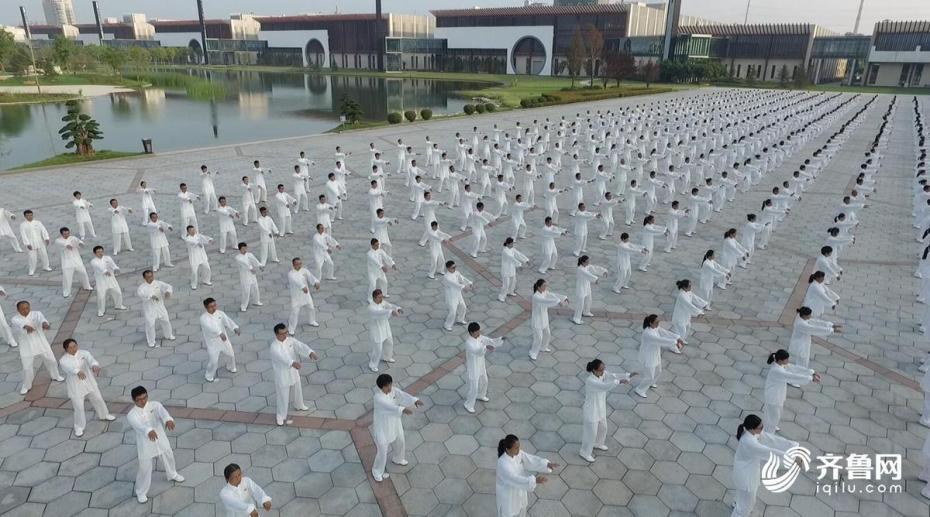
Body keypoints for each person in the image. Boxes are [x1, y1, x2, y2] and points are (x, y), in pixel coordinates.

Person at [730, 414, 801, 517]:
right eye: (761, 427)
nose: (762, 429)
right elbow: (769, 452)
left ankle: (737, 504)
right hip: (746, 477)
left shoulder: (749, 433)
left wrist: (792, 446)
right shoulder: (749, 442)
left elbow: (771, 439)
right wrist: (793, 458)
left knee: (742, 496)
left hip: (744, 471)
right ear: (752, 429)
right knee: (747, 504)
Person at [127, 386, 184, 503]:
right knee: (145, 467)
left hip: (160, 438)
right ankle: (141, 491)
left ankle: (172, 474)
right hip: (145, 443)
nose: (143, 401)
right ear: (134, 400)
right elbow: (139, 426)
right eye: (139, 399)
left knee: (168, 455)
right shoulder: (131, 415)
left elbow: (163, 413)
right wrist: (148, 431)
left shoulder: (155, 405)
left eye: (145, 397)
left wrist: (167, 419)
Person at [371, 373, 423, 482]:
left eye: (390, 384)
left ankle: (398, 458)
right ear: (383, 386)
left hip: (395, 422)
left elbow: (402, 395)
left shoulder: (393, 390)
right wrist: (403, 409)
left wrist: (414, 400)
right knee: (382, 451)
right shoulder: (378, 398)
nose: (391, 387)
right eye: (389, 385)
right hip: (383, 428)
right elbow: (390, 407)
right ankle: (377, 471)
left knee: (400, 441)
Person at [59, 338, 114, 437]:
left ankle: (104, 415)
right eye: (71, 347)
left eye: (75, 346)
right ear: (66, 349)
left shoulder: (84, 353)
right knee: (79, 407)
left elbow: (91, 359)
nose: (74, 349)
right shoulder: (63, 360)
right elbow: (69, 368)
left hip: (88, 382)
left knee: (98, 399)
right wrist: (77, 371)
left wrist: (94, 365)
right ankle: (79, 427)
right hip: (76, 386)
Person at [580, 359, 631, 462]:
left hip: (600, 408)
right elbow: (604, 386)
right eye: (601, 369)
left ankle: (598, 443)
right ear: (594, 370)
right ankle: (585, 452)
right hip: (591, 411)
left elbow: (613, 376)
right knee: (591, 433)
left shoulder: (603, 374)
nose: (604, 371)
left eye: (604, 369)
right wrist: (619, 382)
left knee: (603, 428)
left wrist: (628, 375)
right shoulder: (591, 381)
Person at [495, 434, 558, 517]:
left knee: (521, 508)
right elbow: (514, 478)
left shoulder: (518, 454)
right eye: (516, 448)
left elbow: (530, 460)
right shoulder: (502, 463)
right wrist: (534, 480)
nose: (519, 450)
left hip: (520, 488)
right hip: (508, 494)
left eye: (519, 447)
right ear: (507, 449)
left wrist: (546, 464)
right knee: (509, 512)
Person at [270, 323, 318, 426]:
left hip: (293, 371)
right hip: (282, 373)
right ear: (276, 334)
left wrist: (309, 352)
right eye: (282, 333)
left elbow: (300, 346)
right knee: (283, 395)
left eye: (286, 332)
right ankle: (281, 415)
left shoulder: (290, 340)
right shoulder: (274, 347)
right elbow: (282, 358)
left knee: (297, 388)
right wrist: (292, 363)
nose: (285, 335)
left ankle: (299, 404)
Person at [11, 300, 63, 394]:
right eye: (23, 309)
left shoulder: (36, 314)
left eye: (27, 308)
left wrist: (44, 324)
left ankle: (55, 375)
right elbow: (19, 326)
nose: (26, 310)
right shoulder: (15, 319)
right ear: (18, 310)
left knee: (51, 360)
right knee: (27, 367)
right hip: (26, 346)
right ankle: (27, 385)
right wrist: (25, 326)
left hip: (40, 342)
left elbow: (42, 319)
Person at [763, 349, 819, 432]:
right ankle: (769, 432)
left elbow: (794, 368)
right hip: (773, 396)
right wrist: (810, 378)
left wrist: (811, 372)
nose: (788, 361)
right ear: (781, 360)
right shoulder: (777, 370)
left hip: (777, 394)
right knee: (774, 415)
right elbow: (792, 376)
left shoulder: (780, 364)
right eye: (786, 359)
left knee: (774, 414)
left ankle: (771, 426)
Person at [634, 314, 685, 398]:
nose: (658, 323)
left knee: (658, 371)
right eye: (656, 322)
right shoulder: (647, 333)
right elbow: (660, 340)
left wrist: (677, 337)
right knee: (649, 376)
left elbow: (665, 333)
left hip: (655, 354)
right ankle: (640, 389)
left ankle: (651, 383)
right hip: (648, 356)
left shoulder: (656, 328)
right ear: (650, 323)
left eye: (658, 322)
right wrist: (675, 342)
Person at [464, 322, 503, 413]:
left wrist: (500, 339)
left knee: (485, 380)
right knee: (474, 387)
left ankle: (481, 395)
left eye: (479, 331)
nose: (479, 333)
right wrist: (485, 347)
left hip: (481, 364)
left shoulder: (480, 337)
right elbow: (477, 351)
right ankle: (468, 404)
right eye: (477, 332)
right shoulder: (468, 343)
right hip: (473, 367)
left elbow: (490, 341)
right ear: (471, 333)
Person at [200, 298, 240, 382]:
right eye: (211, 307)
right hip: (212, 342)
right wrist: (220, 333)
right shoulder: (203, 318)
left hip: (224, 340)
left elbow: (227, 321)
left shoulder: (220, 313)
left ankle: (231, 367)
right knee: (214, 360)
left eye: (215, 305)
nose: (214, 308)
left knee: (231, 354)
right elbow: (210, 327)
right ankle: (209, 375)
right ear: (206, 307)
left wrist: (234, 327)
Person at [530, 279, 568, 361]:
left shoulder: (544, 292)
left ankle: (543, 347)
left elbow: (552, 295)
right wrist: (558, 302)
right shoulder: (536, 296)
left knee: (547, 334)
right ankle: (533, 352)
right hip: (537, 320)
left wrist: (563, 298)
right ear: (539, 287)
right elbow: (545, 301)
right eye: (544, 286)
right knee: (538, 338)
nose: (546, 287)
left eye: (546, 285)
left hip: (544, 318)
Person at [136, 270, 176, 348]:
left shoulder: (158, 283)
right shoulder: (142, 287)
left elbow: (168, 286)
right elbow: (141, 294)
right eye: (148, 277)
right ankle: (151, 341)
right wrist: (151, 296)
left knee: (166, 321)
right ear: (144, 278)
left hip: (160, 307)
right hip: (150, 309)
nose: (150, 278)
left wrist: (168, 292)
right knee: (150, 325)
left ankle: (168, 335)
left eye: (151, 276)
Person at [368, 289, 401, 372]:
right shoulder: (371, 308)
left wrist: (397, 308)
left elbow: (389, 305)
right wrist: (391, 312)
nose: (381, 298)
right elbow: (380, 313)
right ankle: (372, 364)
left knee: (389, 342)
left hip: (385, 326)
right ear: (374, 298)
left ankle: (387, 357)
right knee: (378, 349)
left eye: (382, 296)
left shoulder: (382, 302)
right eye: (379, 297)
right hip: (376, 329)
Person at [55, 227, 93, 298]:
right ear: (61, 234)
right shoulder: (58, 240)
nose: (67, 235)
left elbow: (78, 242)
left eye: (68, 233)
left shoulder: (73, 238)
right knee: (67, 278)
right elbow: (63, 244)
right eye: (65, 234)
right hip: (67, 262)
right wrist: (67, 245)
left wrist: (81, 243)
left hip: (77, 260)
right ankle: (66, 292)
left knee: (83, 273)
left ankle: (87, 286)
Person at [90, 246, 127, 317]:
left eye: (101, 251)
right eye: (98, 252)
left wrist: (116, 269)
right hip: (101, 281)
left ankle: (118, 305)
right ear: (95, 253)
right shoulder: (93, 261)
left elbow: (113, 265)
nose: (100, 253)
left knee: (118, 292)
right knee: (101, 296)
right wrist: (105, 271)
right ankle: (101, 310)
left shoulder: (108, 258)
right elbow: (99, 268)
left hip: (111, 278)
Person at [287, 258, 320, 334]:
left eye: (300, 264)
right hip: (296, 296)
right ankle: (291, 328)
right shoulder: (290, 274)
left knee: (311, 307)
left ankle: (312, 321)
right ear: (293, 265)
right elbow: (296, 281)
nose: (299, 265)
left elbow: (310, 276)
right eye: (297, 264)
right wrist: (303, 287)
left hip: (306, 294)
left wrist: (315, 282)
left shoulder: (304, 270)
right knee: (295, 312)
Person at [572, 255, 607, 325]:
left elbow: (594, 268)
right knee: (580, 303)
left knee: (589, 299)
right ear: (582, 262)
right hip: (581, 287)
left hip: (587, 285)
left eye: (589, 261)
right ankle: (576, 318)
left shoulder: (587, 266)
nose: (589, 263)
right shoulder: (580, 269)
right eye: (587, 262)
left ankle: (586, 311)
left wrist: (603, 271)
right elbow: (587, 274)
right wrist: (595, 279)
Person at [442, 261, 473, 331]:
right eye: (453, 267)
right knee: (453, 312)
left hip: (458, 294)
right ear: (448, 268)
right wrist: (464, 287)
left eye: (455, 267)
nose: (455, 268)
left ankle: (460, 319)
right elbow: (455, 284)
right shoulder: (446, 277)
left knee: (463, 307)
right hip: (451, 297)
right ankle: (447, 325)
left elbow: (462, 278)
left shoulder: (456, 272)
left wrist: (469, 282)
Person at [20, 210, 52, 276]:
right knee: (32, 257)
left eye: (31, 215)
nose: (29, 217)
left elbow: (43, 230)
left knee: (44, 254)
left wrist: (46, 238)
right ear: (25, 216)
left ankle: (46, 266)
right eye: (27, 216)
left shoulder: (38, 222)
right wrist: (27, 243)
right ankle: (31, 270)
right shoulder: (23, 225)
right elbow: (23, 235)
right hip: (30, 243)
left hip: (40, 241)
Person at [182, 226, 213, 290]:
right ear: (188, 231)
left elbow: (205, 238)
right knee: (194, 271)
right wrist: (198, 243)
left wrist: (209, 240)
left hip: (202, 255)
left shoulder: (198, 235)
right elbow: (192, 243)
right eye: (191, 230)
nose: (193, 231)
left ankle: (206, 280)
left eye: (194, 230)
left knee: (207, 268)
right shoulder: (187, 239)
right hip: (194, 257)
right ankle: (193, 284)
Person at [234, 243, 263, 312]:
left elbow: (254, 260)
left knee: (255, 288)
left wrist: (259, 266)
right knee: (246, 291)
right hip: (245, 276)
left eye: (245, 248)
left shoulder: (249, 254)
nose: (245, 250)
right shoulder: (238, 257)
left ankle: (256, 301)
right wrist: (250, 268)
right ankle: (243, 305)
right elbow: (244, 264)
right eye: (243, 249)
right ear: (239, 249)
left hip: (252, 275)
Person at [499, 237, 529, 302]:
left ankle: (510, 291)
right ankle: (501, 296)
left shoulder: (512, 249)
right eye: (511, 243)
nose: (512, 244)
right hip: (506, 269)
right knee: (506, 284)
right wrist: (519, 265)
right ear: (507, 244)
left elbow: (518, 254)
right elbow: (511, 259)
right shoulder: (505, 251)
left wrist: (526, 260)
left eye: (513, 243)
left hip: (512, 268)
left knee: (513, 281)